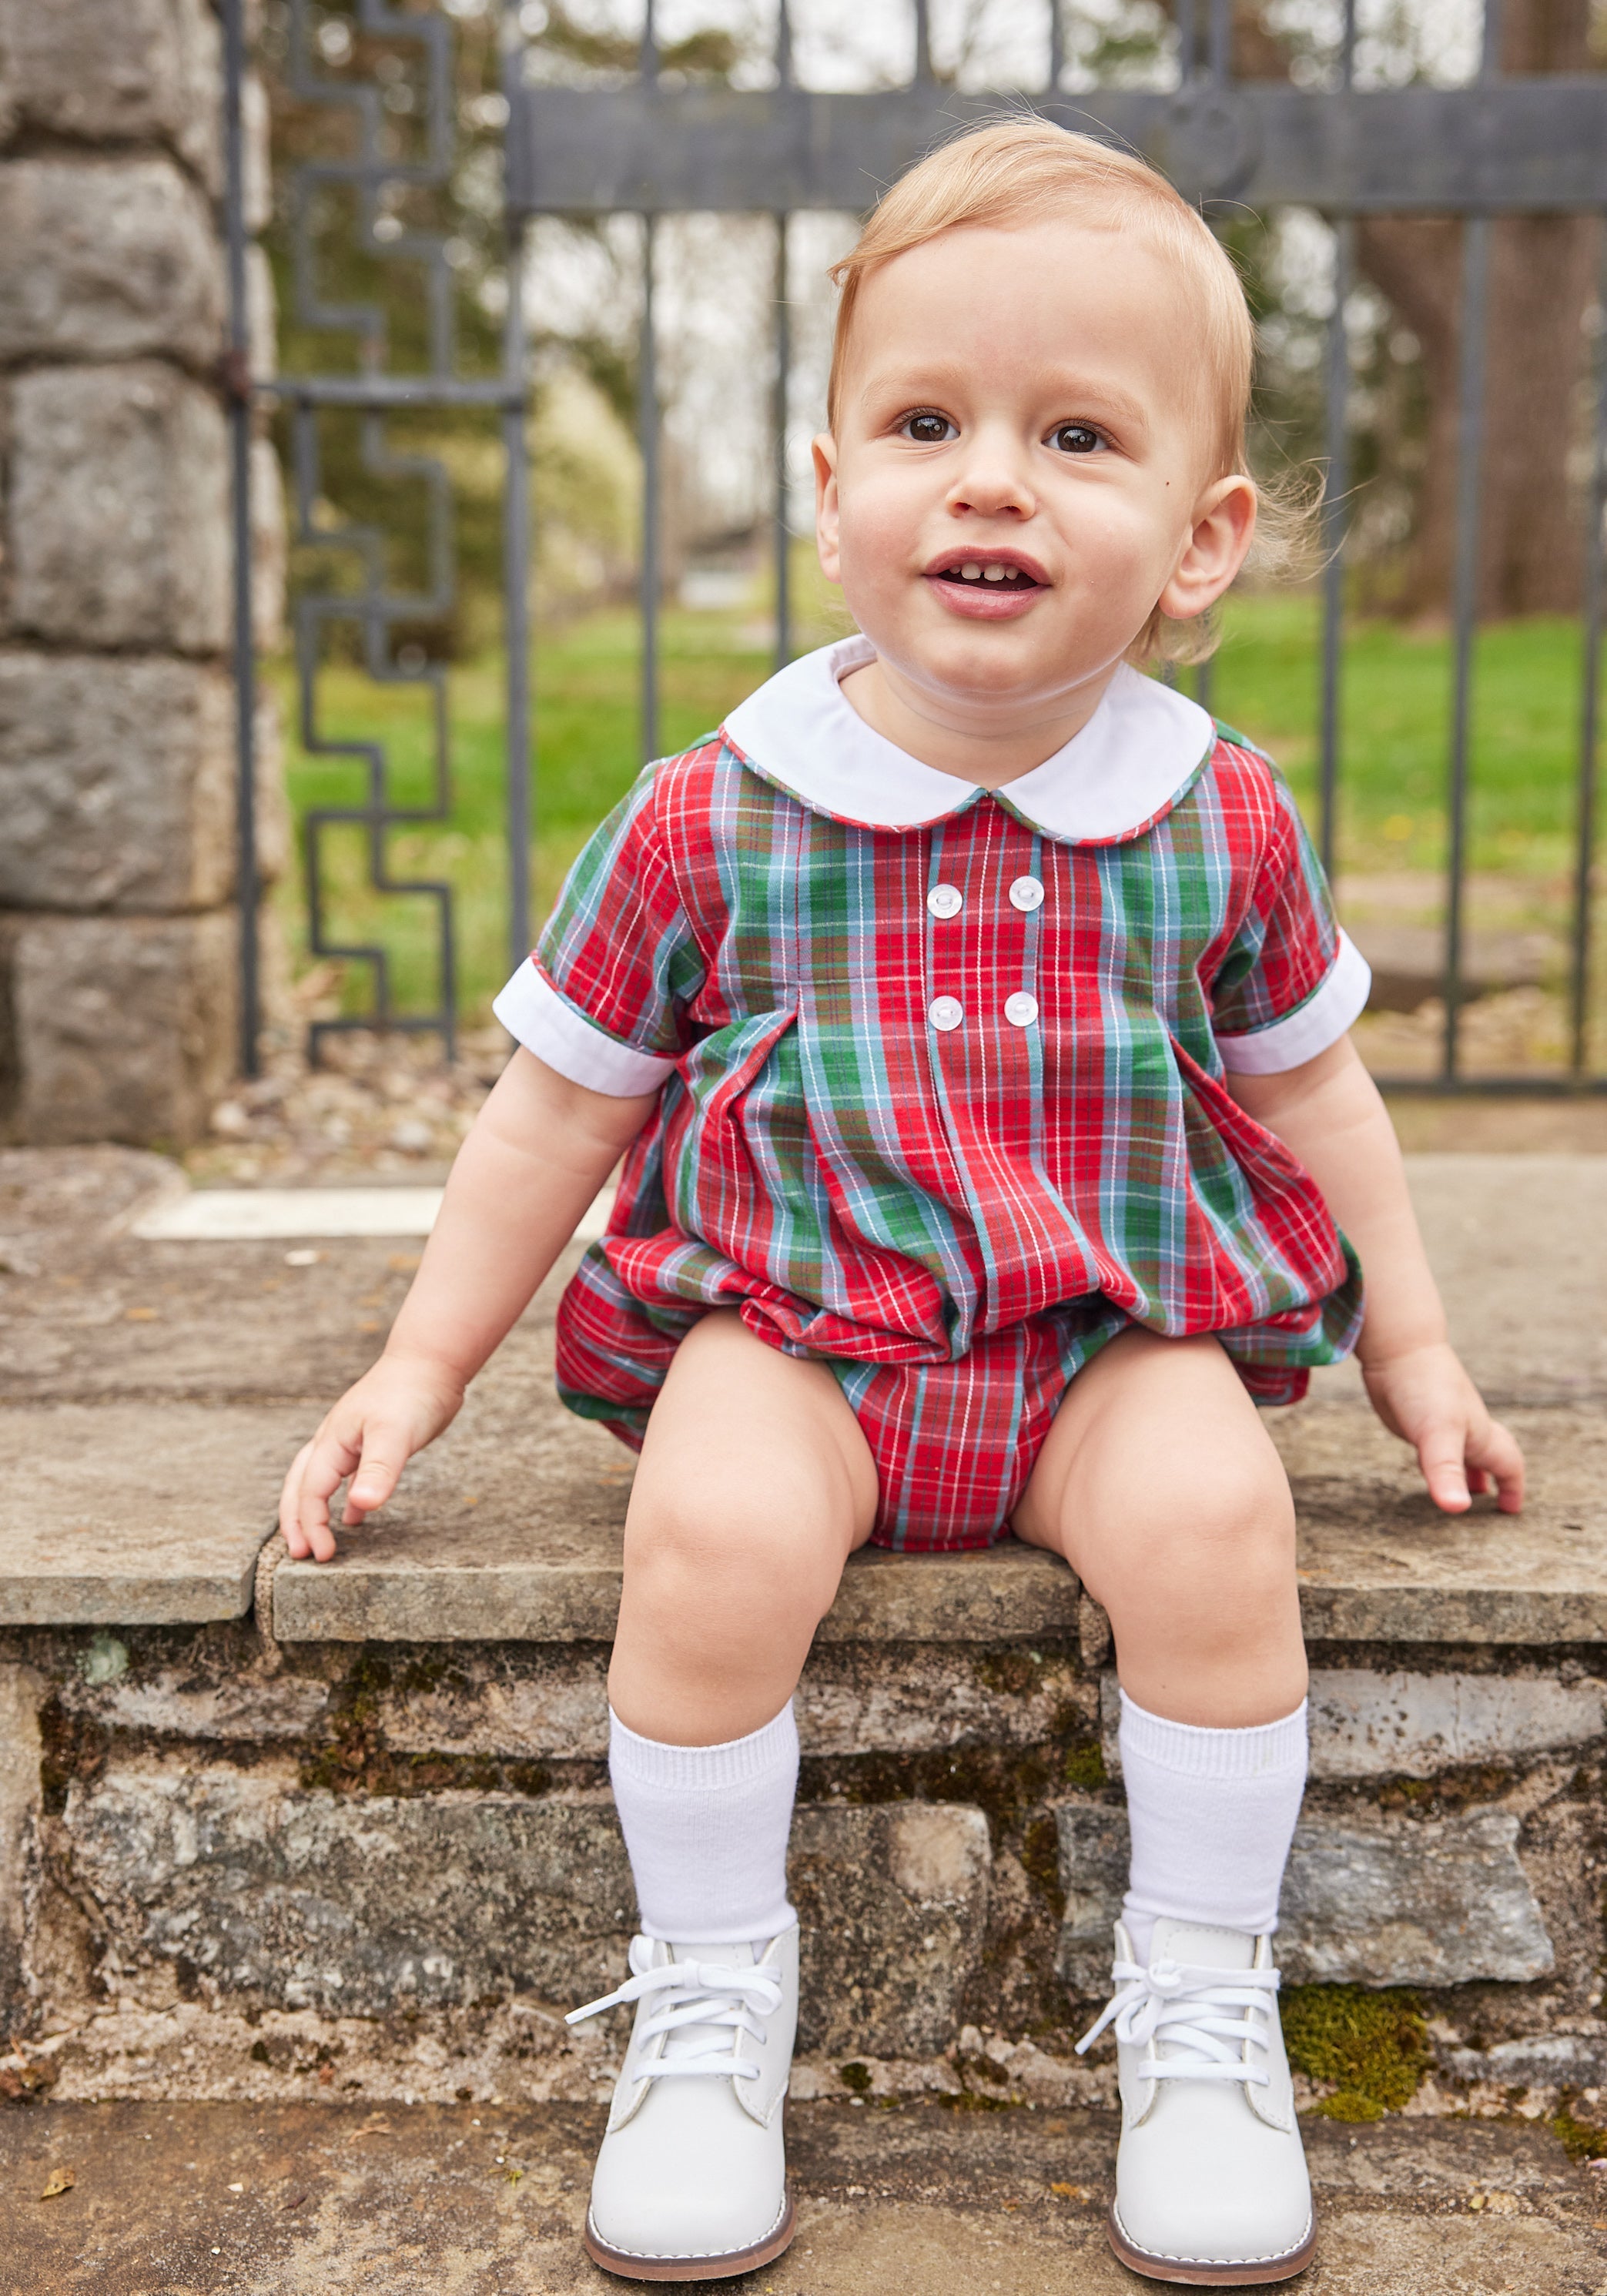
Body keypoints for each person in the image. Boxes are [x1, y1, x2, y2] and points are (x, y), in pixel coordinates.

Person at [279, 120, 1525, 2288]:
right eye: (928, 422)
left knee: (1222, 1528)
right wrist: (415, 1365)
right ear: (837, 480)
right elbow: (548, 1120)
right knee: (714, 1529)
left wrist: (1412, 1353)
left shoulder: (1215, 818)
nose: (992, 480)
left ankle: (1211, 2002)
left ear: (1203, 537)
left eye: (1077, 435)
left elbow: (1319, 1092)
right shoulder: (711, 819)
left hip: (1100, 1348)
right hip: (799, 1337)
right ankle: (705, 2001)